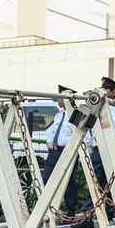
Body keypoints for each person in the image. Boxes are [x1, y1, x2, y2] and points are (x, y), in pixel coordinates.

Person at [71, 77, 115, 228]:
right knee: (95, 182)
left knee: (112, 184)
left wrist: (112, 140)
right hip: (98, 150)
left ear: (113, 92)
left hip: (113, 150)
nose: (103, 92)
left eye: (106, 89)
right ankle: (88, 215)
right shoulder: (96, 106)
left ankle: (110, 215)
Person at [42, 86, 79, 219]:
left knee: (68, 182)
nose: (58, 99)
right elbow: (52, 131)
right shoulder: (59, 114)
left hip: (67, 152)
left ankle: (71, 210)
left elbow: (80, 135)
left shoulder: (75, 114)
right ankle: (47, 207)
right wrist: (49, 141)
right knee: (46, 178)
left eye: (61, 97)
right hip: (54, 152)